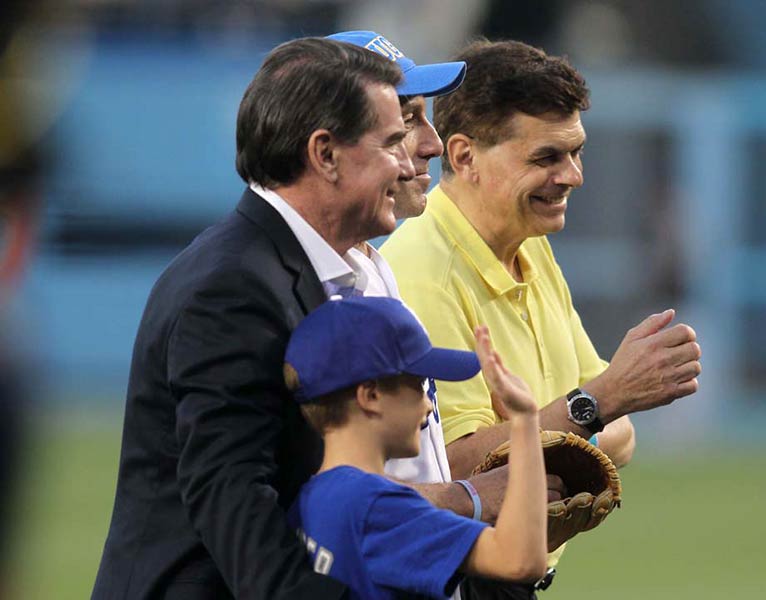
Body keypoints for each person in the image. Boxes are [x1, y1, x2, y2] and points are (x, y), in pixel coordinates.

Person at [92, 38, 413, 599]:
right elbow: (234, 495)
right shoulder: (233, 288)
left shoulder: (284, 269)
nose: (408, 164)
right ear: (326, 154)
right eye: (392, 143)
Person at [381, 38, 702, 582]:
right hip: (456, 578)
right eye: (546, 157)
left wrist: (574, 419)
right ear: (463, 157)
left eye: (576, 152)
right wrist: (593, 406)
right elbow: (456, 469)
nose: (573, 175)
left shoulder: (529, 244)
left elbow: (619, 435)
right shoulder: (421, 274)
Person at [326, 31, 554, 533]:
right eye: (406, 122)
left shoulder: (369, 266)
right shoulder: (277, 288)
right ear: (330, 147)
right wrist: (468, 500)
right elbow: (313, 494)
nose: (431, 144)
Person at [284, 296, 548, 599]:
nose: (427, 405)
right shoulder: (377, 507)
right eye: (417, 385)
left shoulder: (309, 500)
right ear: (370, 396)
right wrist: (525, 420)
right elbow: (519, 561)